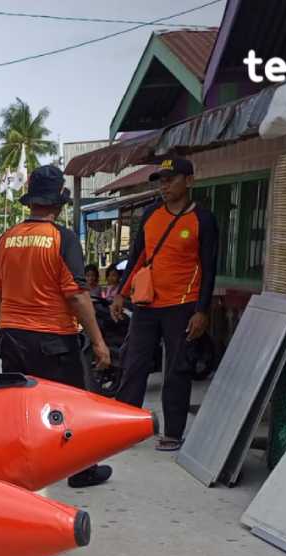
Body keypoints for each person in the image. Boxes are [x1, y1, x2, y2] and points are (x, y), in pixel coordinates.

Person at [0, 165, 113, 488]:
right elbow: (76, 297)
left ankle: (20, 470)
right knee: (71, 404)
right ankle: (80, 470)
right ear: (59, 202)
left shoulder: (6, 239)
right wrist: (99, 342)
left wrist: (12, 320)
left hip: (12, 337)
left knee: (20, 405)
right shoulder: (63, 239)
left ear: (31, 201)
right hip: (54, 339)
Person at [110, 157, 219, 452]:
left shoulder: (203, 220)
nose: (165, 185)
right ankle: (124, 428)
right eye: (161, 180)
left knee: (176, 370)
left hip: (182, 306)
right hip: (146, 304)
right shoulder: (149, 215)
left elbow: (209, 269)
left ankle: (172, 432)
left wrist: (201, 311)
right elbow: (137, 259)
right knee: (134, 365)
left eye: (171, 179)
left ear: (189, 181)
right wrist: (121, 293)